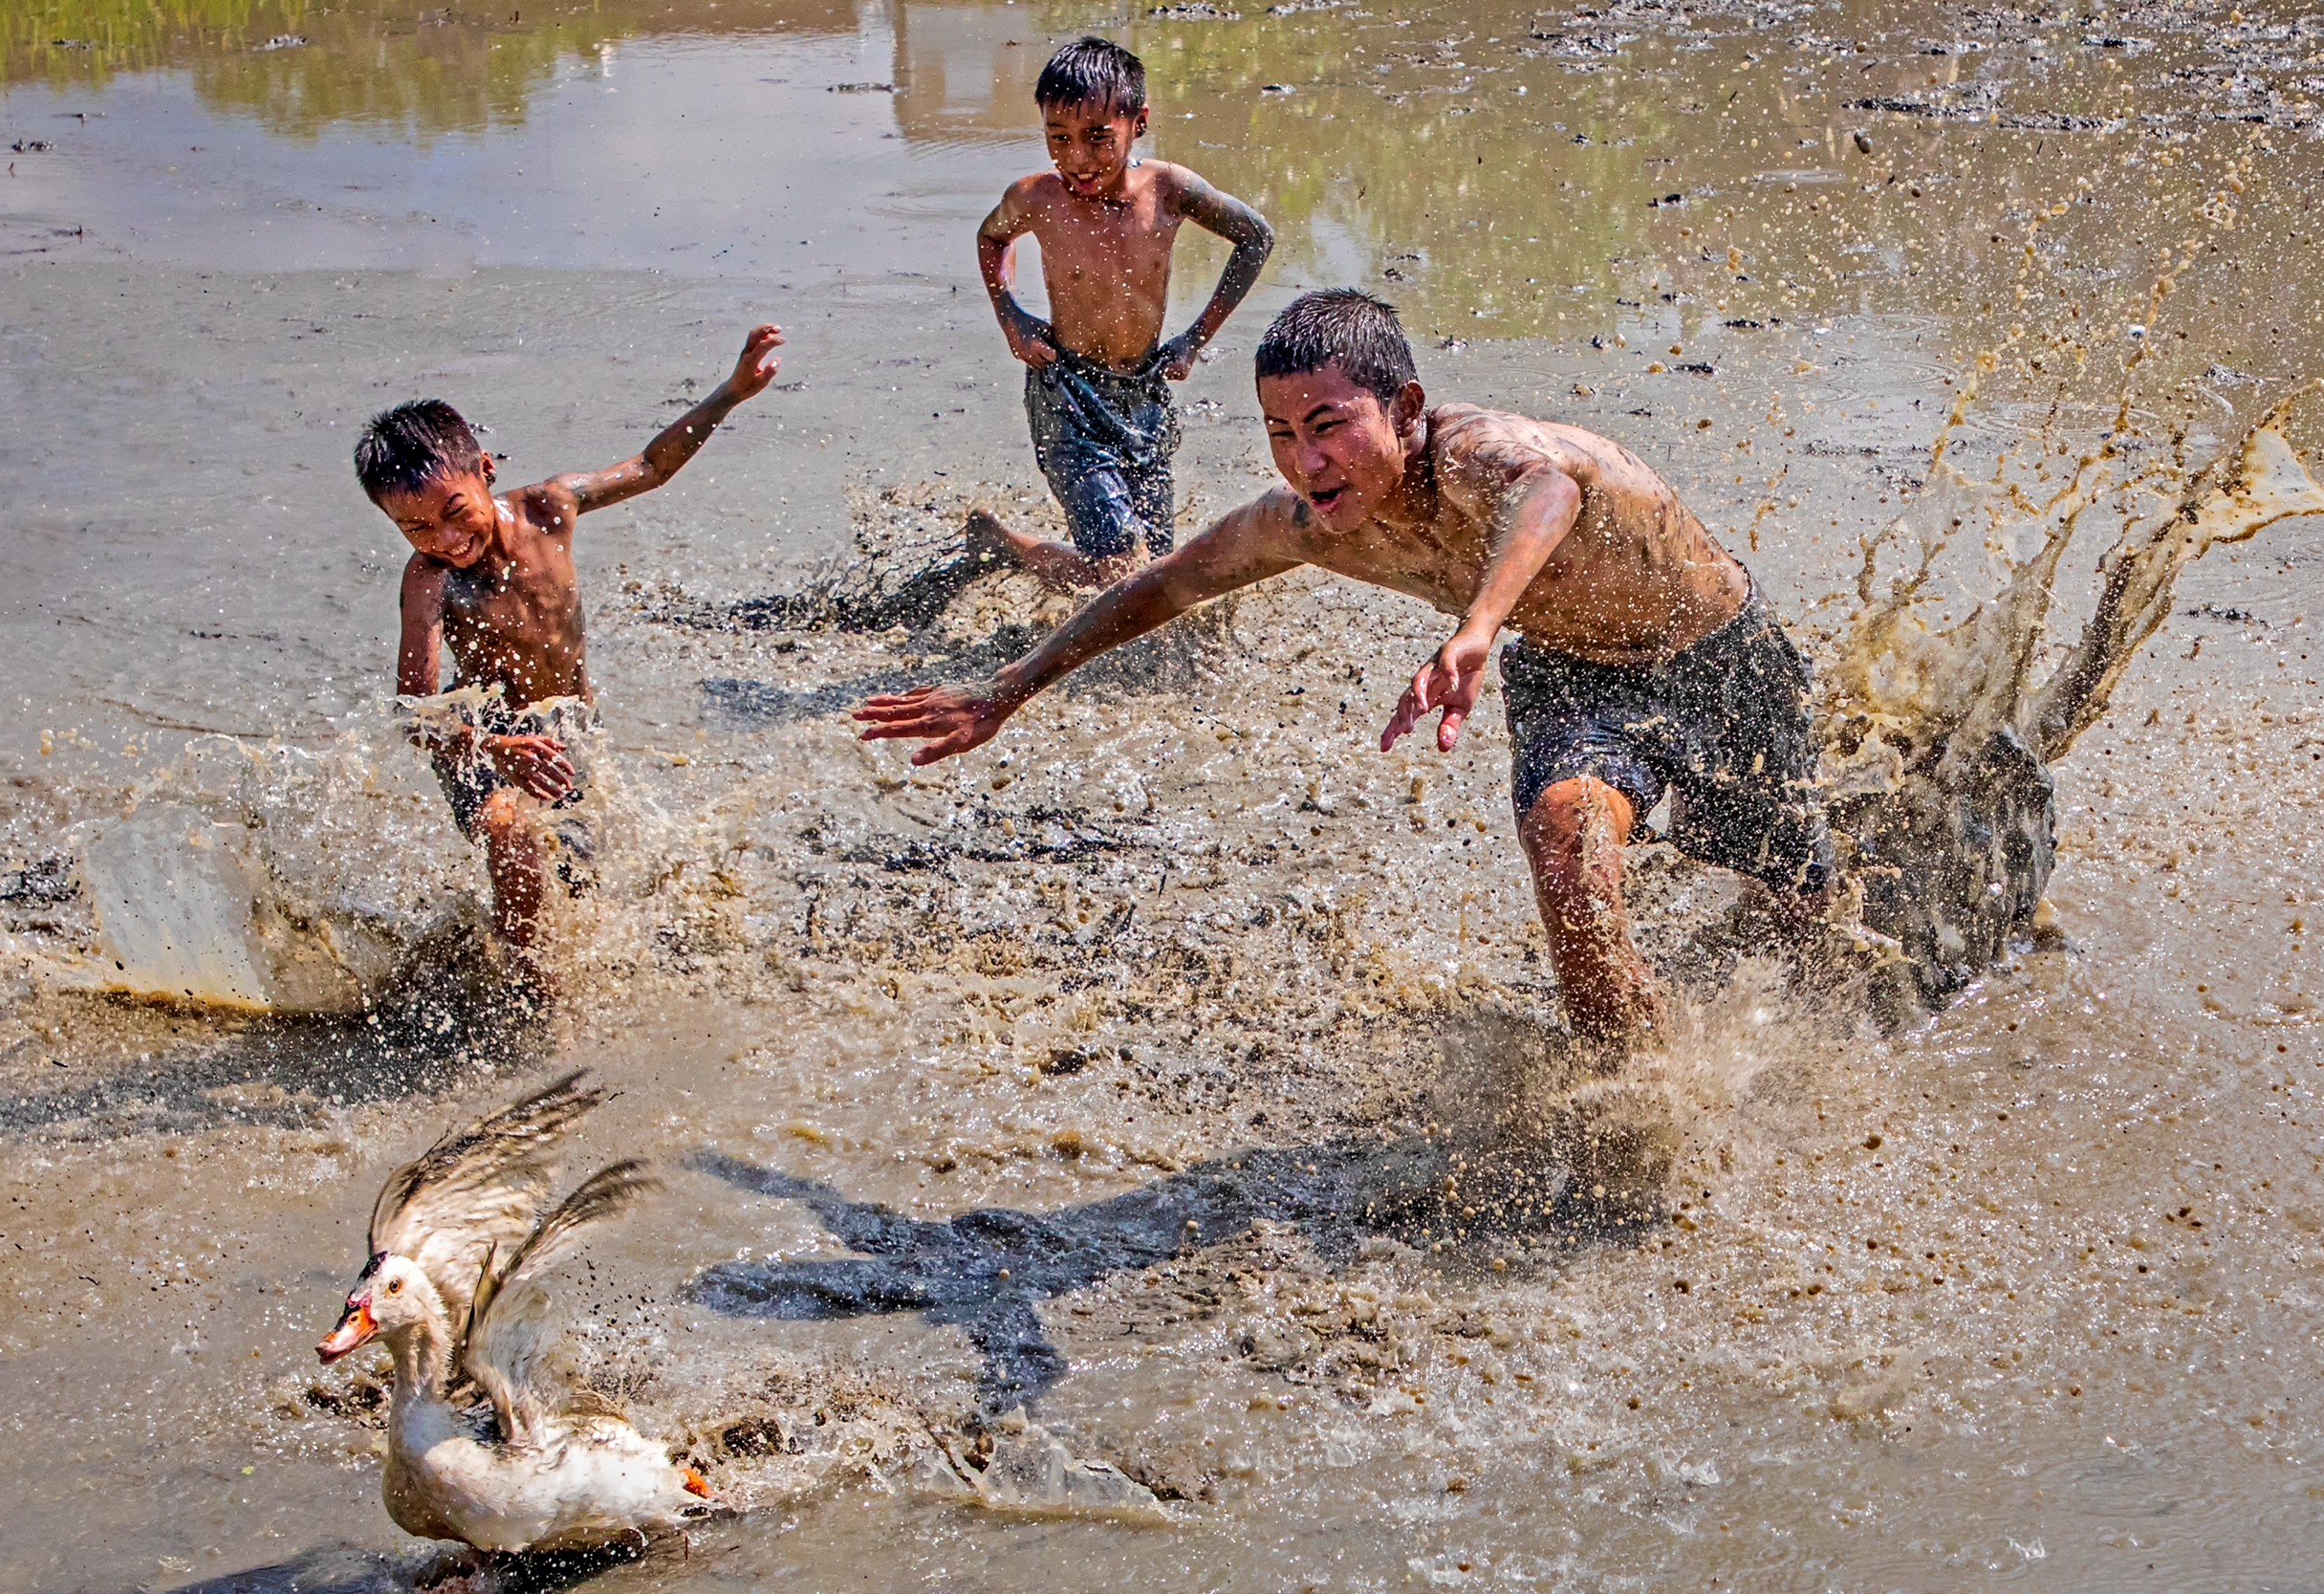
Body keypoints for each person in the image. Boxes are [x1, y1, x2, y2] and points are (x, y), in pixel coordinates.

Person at [855, 291, 1835, 1055]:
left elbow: (1551, 491)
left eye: (1328, 425)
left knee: (1805, 917)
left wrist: (1477, 628)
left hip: (1718, 657)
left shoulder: (1474, 452)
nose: (1305, 460)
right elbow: (1168, 584)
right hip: (1579, 683)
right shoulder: (1311, 526)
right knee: (1566, 860)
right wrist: (1010, 687)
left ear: (1404, 409)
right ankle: (1646, 1103)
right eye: (1282, 435)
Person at [358, 323, 785, 982]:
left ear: (485, 471)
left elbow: (652, 467)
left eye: (454, 511)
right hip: (484, 737)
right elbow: (413, 713)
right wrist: (497, 749)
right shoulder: (428, 580)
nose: (443, 538)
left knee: (579, 882)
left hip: (567, 733)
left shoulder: (550, 510)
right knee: (508, 830)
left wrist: (729, 394)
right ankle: (535, 1001)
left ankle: (514, 961)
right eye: (414, 527)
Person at [964, 35, 1273, 593]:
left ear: (1139, 122)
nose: (1077, 158)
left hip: (1144, 392)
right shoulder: (1037, 198)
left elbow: (1255, 237)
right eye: (1058, 138)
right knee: (1124, 569)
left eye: (1098, 137)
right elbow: (991, 238)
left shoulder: (1170, 190)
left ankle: (1002, 544)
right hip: (1067, 393)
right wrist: (1010, 315)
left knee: (1154, 576)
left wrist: (1194, 339)